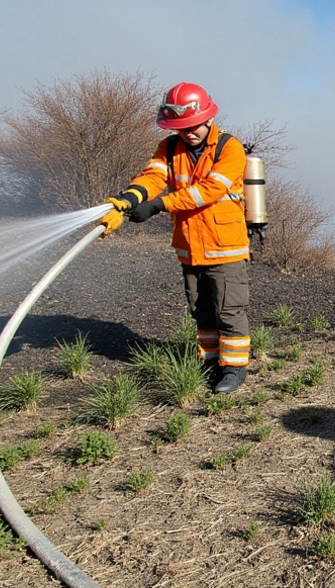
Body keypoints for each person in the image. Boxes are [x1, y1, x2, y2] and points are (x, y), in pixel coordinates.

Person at [101, 82, 252, 394]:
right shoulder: (168, 148)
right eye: (181, 128)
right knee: (201, 310)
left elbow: (209, 190)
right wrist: (129, 199)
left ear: (208, 118)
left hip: (225, 249)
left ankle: (235, 369)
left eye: (193, 126)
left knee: (229, 311)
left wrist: (159, 205)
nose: (188, 133)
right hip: (189, 248)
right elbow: (153, 176)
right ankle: (210, 362)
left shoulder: (230, 148)